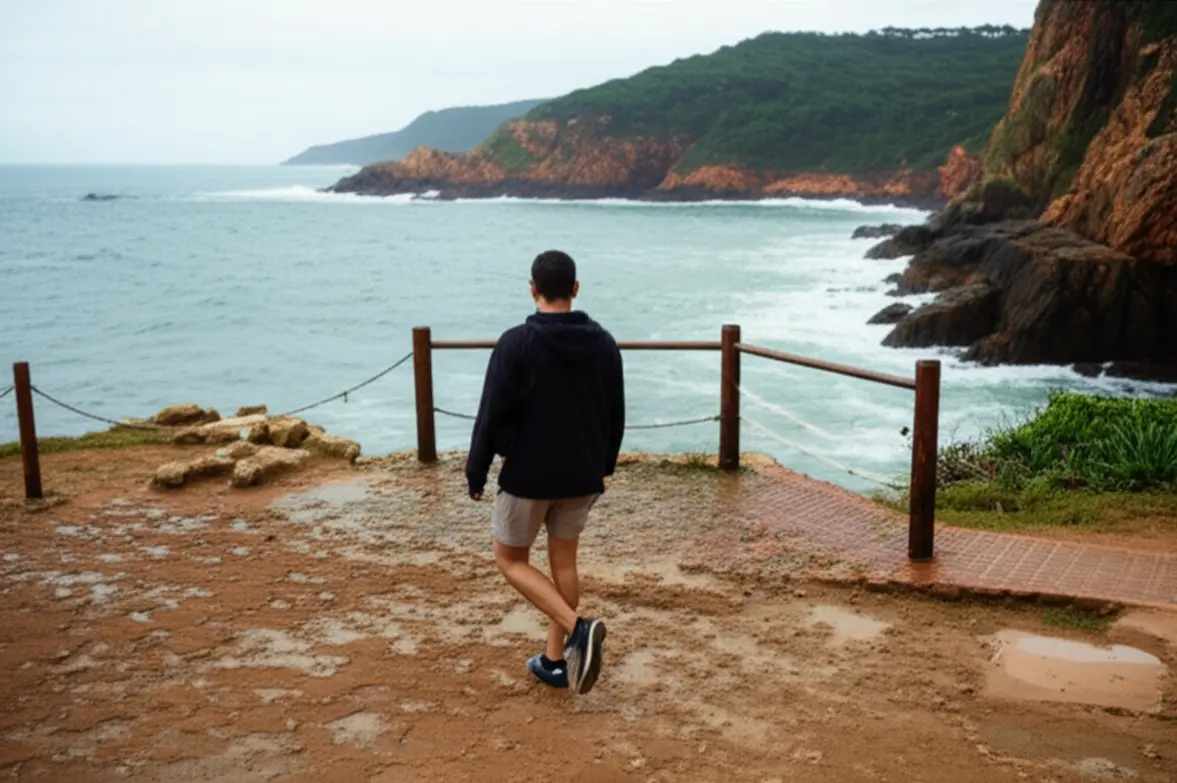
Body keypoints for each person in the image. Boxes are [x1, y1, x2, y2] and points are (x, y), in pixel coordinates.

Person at [466, 250, 624, 696]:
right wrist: (603, 467)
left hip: (528, 475)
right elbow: (616, 413)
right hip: (581, 475)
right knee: (564, 564)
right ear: (575, 289)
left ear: (533, 289)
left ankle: (577, 630)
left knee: (511, 560)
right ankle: (555, 663)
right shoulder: (605, 343)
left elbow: (490, 413)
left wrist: (476, 472)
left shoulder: (517, 343)